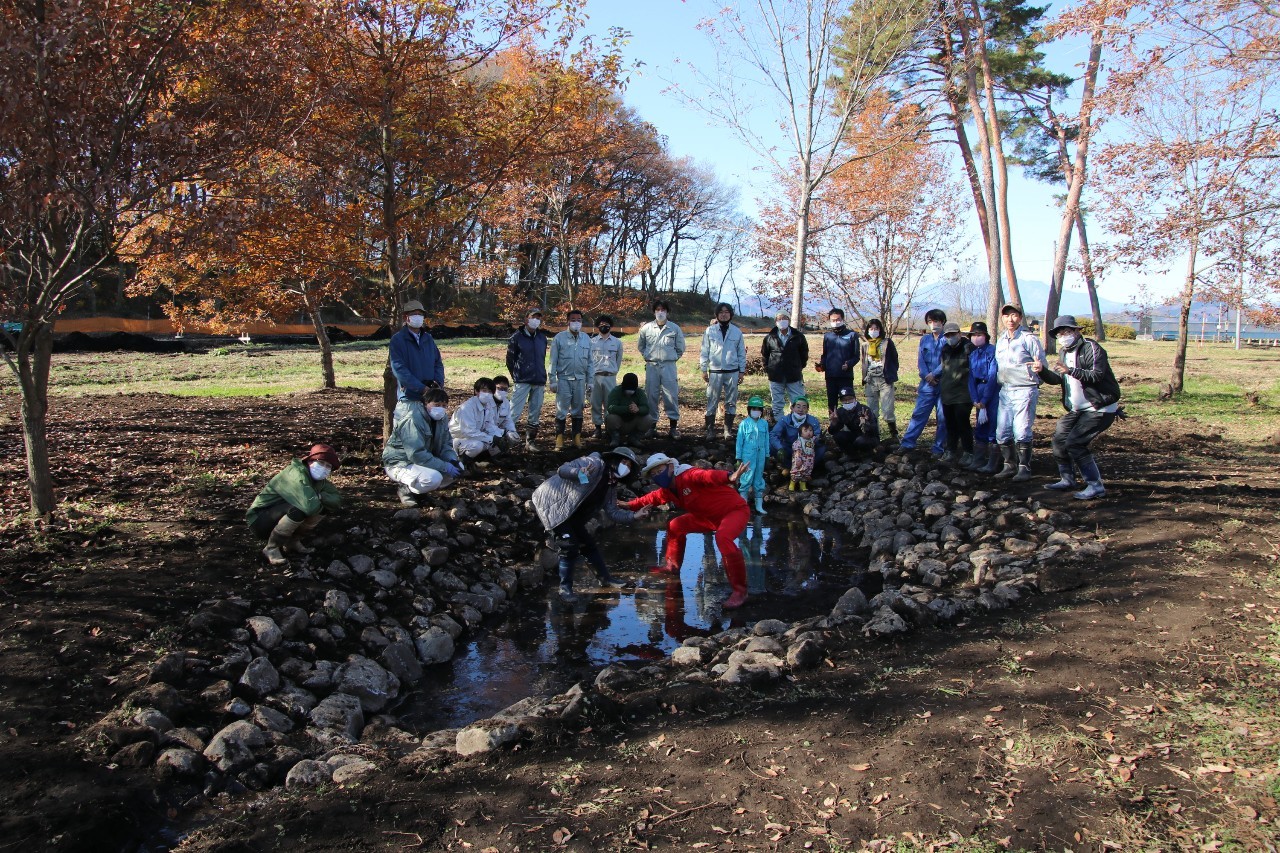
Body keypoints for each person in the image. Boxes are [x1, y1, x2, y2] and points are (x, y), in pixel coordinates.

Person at [626, 453, 752, 609]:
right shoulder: (668, 490)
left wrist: (729, 476)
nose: (658, 476)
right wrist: (627, 505)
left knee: (723, 538)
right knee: (675, 525)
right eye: (654, 474)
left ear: (671, 466)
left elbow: (707, 476)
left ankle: (740, 591)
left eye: (659, 471)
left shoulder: (688, 475)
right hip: (708, 517)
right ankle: (672, 567)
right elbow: (650, 499)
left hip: (734, 511)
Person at [532, 447, 650, 602]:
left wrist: (634, 516)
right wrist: (579, 473)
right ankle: (565, 588)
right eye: (623, 462)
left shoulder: (610, 485)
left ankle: (605, 579)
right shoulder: (594, 463)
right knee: (569, 546)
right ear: (614, 460)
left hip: (572, 512)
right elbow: (562, 469)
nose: (625, 467)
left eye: (629, 466)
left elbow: (613, 512)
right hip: (552, 505)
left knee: (588, 544)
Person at [1033, 315, 1122, 500]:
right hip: (1078, 408)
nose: (1063, 336)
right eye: (1060, 334)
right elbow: (1060, 379)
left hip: (1099, 407)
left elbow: (1097, 375)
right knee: (1059, 439)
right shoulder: (1064, 352)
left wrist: (1070, 370)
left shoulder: (1092, 348)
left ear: (1076, 331)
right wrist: (1042, 371)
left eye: (1067, 332)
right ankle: (1067, 479)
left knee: (1075, 443)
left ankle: (1095, 485)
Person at [247, 444, 342, 566]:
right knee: (298, 510)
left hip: (280, 518)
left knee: (323, 509)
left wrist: (320, 496)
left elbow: (337, 501)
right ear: (310, 461)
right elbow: (309, 506)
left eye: (328, 466)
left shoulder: (320, 481)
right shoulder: (296, 474)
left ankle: (292, 541)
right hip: (259, 520)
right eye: (321, 463)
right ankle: (272, 548)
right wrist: (319, 499)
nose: (324, 468)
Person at [993, 303, 1045, 482]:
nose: (1010, 319)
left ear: (1020, 317)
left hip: (1025, 389)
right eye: (1006, 316)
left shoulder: (1029, 339)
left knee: (1021, 430)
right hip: (1006, 390)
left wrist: (1040, 369)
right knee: (1002, 431)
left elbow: (1042, 364)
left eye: (1014, 315)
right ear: (1002, 318)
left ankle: (1024, 467)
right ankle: (1009, 465)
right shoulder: (1001, 340)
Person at [384, 388, 462, 505]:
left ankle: (420, 492)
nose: (440, 408)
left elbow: (446, 444)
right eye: (436, 404)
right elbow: (416, 454)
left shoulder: (442, 419)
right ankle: (406, 489)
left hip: (424, 458)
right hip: (400, 461)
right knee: (433, 478)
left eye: (444, 405)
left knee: (458, 467)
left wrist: (451, 459)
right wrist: (444, 466)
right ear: (426, 403)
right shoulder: (413, 419)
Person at [896, 308, 949, 455]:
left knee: (942, 417)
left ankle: (939, 448)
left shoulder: (948, 339)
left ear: (943, 322)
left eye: (936, 321)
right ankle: (908, 443)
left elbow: (948, 361)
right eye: (930, 322)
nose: (933, 325)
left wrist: (935, 374)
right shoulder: (925, 339)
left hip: (943, 383)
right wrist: (926, 375)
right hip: (926, 384)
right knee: (919, 414)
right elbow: (921, 360)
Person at [637, 299, 686, 439]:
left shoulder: (674, 328)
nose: (660, 312)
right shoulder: (646, 329)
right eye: (657, 310)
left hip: (669, 366)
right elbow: (641, 346)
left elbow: (680, 348)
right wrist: (648, 356)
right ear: (654, 312)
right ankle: (652, 427)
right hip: (652, 366)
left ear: (667, 312)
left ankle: (673, 427)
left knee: (671, 395)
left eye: (663, 310)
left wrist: (671, 358)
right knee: (651, 395)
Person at [699, 302, 747, 441]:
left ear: (730, 314)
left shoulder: (737, 332)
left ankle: (728, 430)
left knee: (731, 402)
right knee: (712, 401)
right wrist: (703, 369)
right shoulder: (710, 331)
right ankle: (710, 431)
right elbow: (704, 351)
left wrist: (741, 371)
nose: (724, 314)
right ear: (717, 315)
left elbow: (741, 353)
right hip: (715, 371)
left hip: (732, 371)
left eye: (726, 312)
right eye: (721, 312)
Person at [549, 308, 593, 450]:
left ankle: (576, 438)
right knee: (561, 410)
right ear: (568, 321)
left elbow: (590, 362)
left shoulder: (586, 339)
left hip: (580, 380)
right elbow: (553, 361)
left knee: (578, 410)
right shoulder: (559, 338)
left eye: (579, 320)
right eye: (573, 320)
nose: (576, 323)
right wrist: (553, 380)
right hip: (563, 379)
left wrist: (590, 380)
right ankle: (559, 439)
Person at [389, 299, 444, 411]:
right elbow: (399, 369)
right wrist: (421, 388)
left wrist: (438, 384)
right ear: (406, 317)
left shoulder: (428, 339)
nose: (418, 317)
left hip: (431, 400)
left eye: (420, 314)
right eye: (414, 314)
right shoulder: (398, 340)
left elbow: (437, 363)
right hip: (410, 399)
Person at [506, 308, 549, 449]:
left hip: (539, 380)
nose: (535, 320)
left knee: (535, 412)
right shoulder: (516, 337)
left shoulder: (542, 338)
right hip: (522, 380)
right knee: (514, 411)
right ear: (526, 319)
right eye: (533, 317)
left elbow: (542, 358)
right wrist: (517, 375)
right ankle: (506, 441)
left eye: (538, 318)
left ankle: (530, 441)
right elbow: (510, 360)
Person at [938, 322, 975, 466]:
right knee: (950, 424)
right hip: (947, 393)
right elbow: (944, 368)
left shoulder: (968, 348)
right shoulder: (945, 349)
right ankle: (951, 450)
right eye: (948, 335)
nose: (950, 337)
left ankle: (968, 452)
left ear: (960, 334)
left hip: (963, 394)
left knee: (963, 424)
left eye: (953, 334)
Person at [762, 310, 808, 420]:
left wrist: (797, 367)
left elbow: (804, 355)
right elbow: (765, 355)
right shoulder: (769, 337)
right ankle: (780, 425)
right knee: (777, 403)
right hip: (775, 376)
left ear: (789, 320)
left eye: (784, 318)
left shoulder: (798, 336)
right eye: (779, 319)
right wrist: (769, 369)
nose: (781, 321)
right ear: (775, 321)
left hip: (794, 375)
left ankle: (799, 425)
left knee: (798, 401)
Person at [967, 321, 1000, 472]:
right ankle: (979, 459)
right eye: (973, 335)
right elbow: (970, 377)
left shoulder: (993, 352)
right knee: (980, 426)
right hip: (978, 391)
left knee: (993, 425)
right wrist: (975, 399)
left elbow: (993, 376)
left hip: (992, 392)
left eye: (979, 335)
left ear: (985, 336)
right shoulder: (973, 354)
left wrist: (985, 400)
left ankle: (993, 462)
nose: (976, 338)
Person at [860, 318, 899, 440]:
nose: (873, 331)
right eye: (871, 329)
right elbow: (863, 363)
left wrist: (890, 373)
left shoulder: (887, 343)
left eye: (876, 328)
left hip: (884, 379)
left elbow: (894, 359)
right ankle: (874, 436)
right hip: (870, 380)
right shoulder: (865, 345)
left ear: (880, 330)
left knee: (887, 410)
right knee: (872, 412)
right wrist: (864, 378)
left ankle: (894, 435)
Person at [817, 308, 860, 417]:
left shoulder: (852, 335)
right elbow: (825, 354)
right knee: (832, 403)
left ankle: (849, 424)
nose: (836, 322)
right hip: (830, 376)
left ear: (843, 319)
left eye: (838, 319)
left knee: (847, 401)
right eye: (833, 320)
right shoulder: (828, 336)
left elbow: (856, 356)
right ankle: (833, 425)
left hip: (845, 376)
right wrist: (821, 364)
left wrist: (849, 364)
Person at [450, 377, 503, 460]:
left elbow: (489, 425)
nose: (487, 394)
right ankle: (463, 462)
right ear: (476, 391)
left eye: (490, 392)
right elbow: (469, 432)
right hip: (459, 439)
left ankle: (485, 460)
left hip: (475, 437)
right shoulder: (467, 408)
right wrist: (491, 439)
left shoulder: (488, 405)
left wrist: (499, 436)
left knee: (496, 443)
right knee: (478, 446)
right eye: (484, 391)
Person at [589, 314, 623, 439]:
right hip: (595, 377)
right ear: (598, 326)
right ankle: (597, 428)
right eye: (601, 324)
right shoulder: (591, 342)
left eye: (607, 324)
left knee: (610, 404)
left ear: (611, 326)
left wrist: (613, 371)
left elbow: (618, 360)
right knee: (595, 403)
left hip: (610, 376)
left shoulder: (617, 342)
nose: (604, 326)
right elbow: (589, 361)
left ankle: (610, 428)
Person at [770, 396, 825, 472]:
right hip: (789, 448)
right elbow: (773, 435)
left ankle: (807, 469)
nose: (801, 410)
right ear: (792, 408)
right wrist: (780, 448)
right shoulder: (784, 420)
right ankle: (790, 468)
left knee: (821, 449)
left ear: (807, 410)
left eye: (804, 407)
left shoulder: (812, 420)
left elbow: (817, 435)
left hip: (807, 449)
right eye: (798, 407)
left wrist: (818, 440)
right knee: (771, 446)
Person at [735, 394, 770, 513]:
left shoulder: (764, 424)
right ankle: (742, 504)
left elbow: (767, 440)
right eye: (753, 409)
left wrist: (767, 454)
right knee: (746, 478)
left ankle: (759, 505)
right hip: (748, 456)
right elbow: (739, 442)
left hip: (760, 455)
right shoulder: (744, 424)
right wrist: (738, 457)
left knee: (759, 479)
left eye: (758, 409)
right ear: (749, 409)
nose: (756, 411)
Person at [604, 372, 657, 446]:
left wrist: (638, 409)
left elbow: (646, 408)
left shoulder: (640, 393)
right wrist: (627, 409)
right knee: (611, 418)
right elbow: (610, 408)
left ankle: (634, 438)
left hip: (634, 421)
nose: (630, 391)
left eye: (632, 389)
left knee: (648, 419)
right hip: (619, 421)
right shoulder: (616, 391)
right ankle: (615, 438)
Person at [828, 386, 878, 458]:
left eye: (850, 399)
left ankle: (867, 454)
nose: (847, 402)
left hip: (869, 437)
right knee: (838, 436)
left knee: (860, 441)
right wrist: (834, 423)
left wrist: (866, 423)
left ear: (855, 398)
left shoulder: (864, 409)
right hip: (854, 435)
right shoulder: (841, 411)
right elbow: (833, 432)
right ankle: (851, 455)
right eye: (844, 400)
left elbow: (874, 430)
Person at [492, 375, 521, 450]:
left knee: (512, 438)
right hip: (484, 433)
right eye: (499, 388)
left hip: (497, 431)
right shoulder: (487, 402)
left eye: (505, 389)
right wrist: (503, 432)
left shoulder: (506, 402)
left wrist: (511, 431)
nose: (502, 391)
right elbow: (487, 425)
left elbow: (508, 420)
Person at [790, 422, 817, 491]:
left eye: (810, 430)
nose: (809, 432)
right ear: (800, 433)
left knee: (806, 473)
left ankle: (803, 485)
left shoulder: (812, 441)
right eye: (806, 430)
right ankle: (792, 484)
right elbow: (797, 451)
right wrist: (798, 459)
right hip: (800, 460)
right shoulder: (799, 441)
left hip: (809, 462)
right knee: (797, 472)